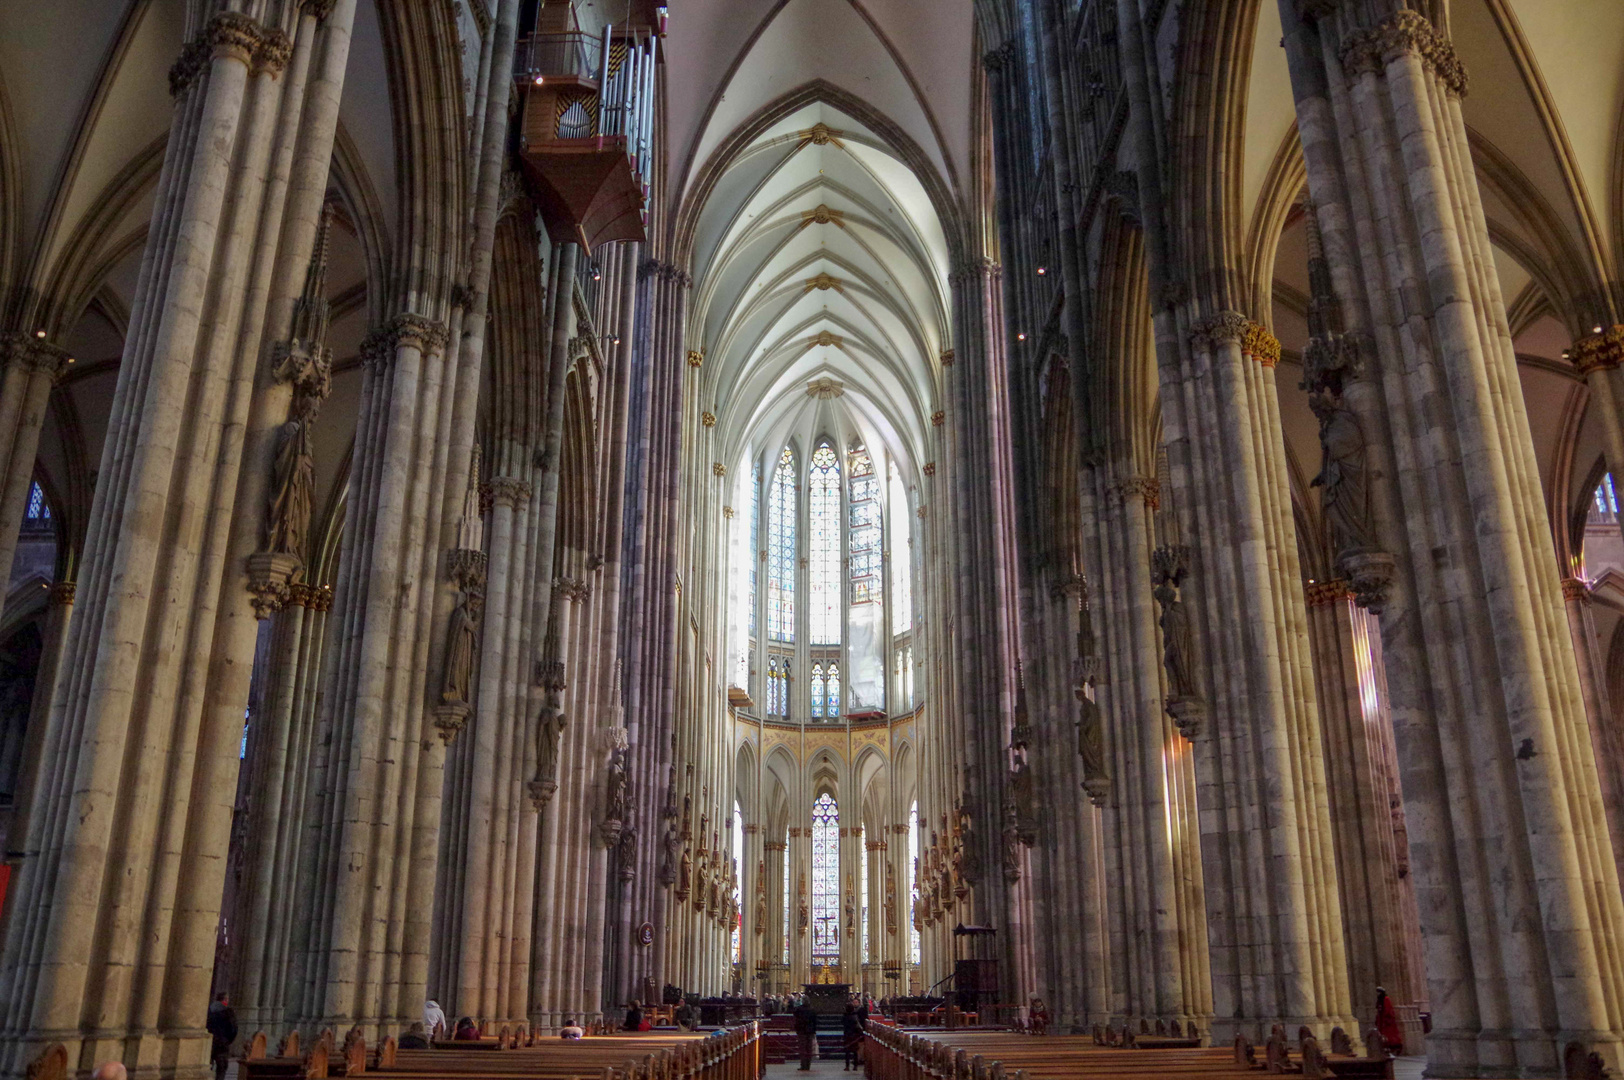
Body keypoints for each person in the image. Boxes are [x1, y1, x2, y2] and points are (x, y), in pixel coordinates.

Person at [206, 992, 237, 1080]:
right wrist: (228, 1040)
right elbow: (233, 1029)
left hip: (209, 1042)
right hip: (222, 1044)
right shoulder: (228, 1012)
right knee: (221, 1067)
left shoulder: (208, 1010)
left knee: (207, 1066)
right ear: (225, 1000)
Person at [1375, 987, 1404, 1053]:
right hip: (1381, 1018)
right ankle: (1385, 1045)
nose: (1378, 993)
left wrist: (1386, 1017)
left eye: (1379, 992)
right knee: (1383, 1033)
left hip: (1386, 1020)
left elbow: (1388, 1009)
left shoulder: (1386, 999)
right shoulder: (1379, 999)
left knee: (1390, 1033)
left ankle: (1395, 1046)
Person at [794, 999, 819, 1071]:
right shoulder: (812, 1009)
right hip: (810, 1031)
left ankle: (803, 1065)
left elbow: (796, 1019)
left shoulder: (799, 1009)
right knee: (809, 1049)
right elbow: (815, 1021)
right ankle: (808, 1065)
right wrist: (814, 1030)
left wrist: (797, 1029)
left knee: (802, 1049)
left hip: (802, 1031)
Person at [841, 1003, 864, 1071]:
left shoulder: (845, 1016)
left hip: (848, 1035)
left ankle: (847, 1066)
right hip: (854, 1035)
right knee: (855, 1052)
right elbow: (858, 1026)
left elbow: (842, 1022)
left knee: (847, 1052)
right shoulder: (855, 1016)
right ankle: (855, 1066)